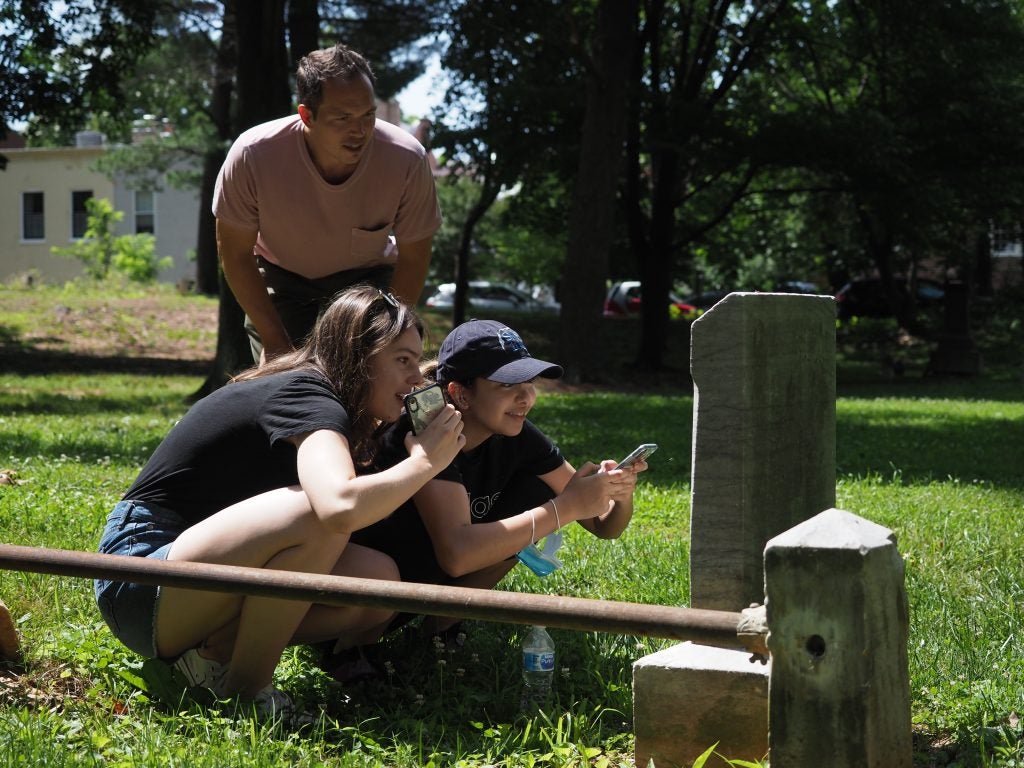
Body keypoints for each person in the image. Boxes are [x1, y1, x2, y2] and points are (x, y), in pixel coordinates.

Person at [94, 286, 464, 718]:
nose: (416, 380)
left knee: (374, 585)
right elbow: (339, 506)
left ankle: (211, 657)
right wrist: (423, 463)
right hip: (137, 577)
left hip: (181, 587)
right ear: (357, 354)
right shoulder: (308, 395)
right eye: (402, 359)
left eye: (416, 362)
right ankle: (246, 695)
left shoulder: (323, 402)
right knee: (321, 514)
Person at [350, 319, 645, 647]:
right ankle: (351, 652)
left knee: (535, 495)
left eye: (529, 382)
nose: (525, 397)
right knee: (537, 512)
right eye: (507, 385)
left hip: (418, 584)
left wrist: (618, 491)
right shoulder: (427, 432)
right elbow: (456, 554)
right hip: (361, 596)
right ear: (461, 394)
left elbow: (604, 526)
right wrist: (567, 506)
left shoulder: (517, 434)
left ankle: (439, 631)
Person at [213, 43, 442, 362]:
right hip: (281, 275)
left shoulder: (406, 159)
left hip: (368, 278)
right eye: (343, 118)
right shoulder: (253, 155)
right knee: (283, 382)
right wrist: (274, 339)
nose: (360, 131)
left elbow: (415, 257)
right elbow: (235, 253)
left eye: (368, 115)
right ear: (307, 115)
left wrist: (389, 337)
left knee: (370, 378)